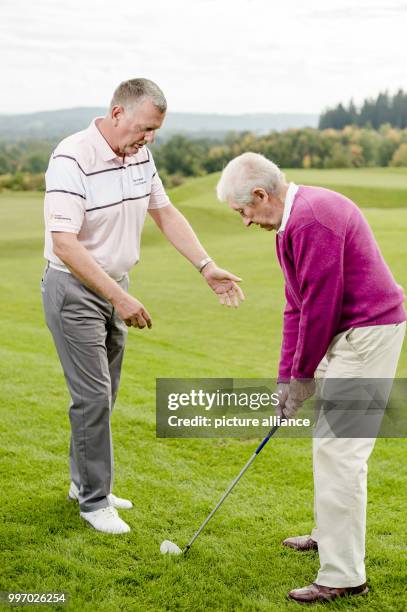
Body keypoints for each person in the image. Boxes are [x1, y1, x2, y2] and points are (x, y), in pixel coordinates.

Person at [41, 78, 244, 535]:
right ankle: (94, 502)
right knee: (92, 397)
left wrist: (205, 265)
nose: (148, 139)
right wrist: (119, 297)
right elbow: (65, 244)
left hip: (115, 285)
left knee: (104, 395)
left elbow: (165, 212)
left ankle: (82, 482)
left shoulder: (140, 156)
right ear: (117, 114)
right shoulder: (71, 157)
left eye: (155, 131)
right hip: (75, 290)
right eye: (144, 128)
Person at [216, 152, 406, 604]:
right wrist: (288, 378)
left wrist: (303, 376)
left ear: (262, 195)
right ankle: (328, 534)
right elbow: (296, 305)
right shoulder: (290, 225)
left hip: (367, 333)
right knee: (327, 442)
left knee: (341, 451)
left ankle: (343, 576)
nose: (244, 221)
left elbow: (321, 306)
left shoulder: (311, 222)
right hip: (347, 330)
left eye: (243, 211)